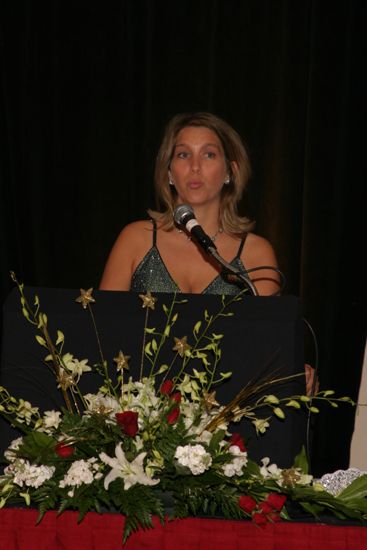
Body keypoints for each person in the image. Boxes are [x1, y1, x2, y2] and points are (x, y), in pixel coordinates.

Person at [99, 111, 316, 393]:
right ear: (168, 172)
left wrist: (293, 371)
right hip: (138, 412)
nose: (195, 166)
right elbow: (99, 335)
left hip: (226, 419)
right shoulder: (135, 239)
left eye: (209, 155)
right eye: (183, 155)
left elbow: (267, 348)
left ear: (230, 171)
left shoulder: (255, 253)